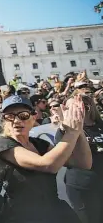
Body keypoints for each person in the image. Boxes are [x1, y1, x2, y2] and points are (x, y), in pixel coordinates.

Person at [0, 95, 91, 223]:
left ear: (33, 118)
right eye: (10, 116)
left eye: (23, 115)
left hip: (54, 211)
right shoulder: (3, 143)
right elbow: (48, 165)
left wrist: (79, 129)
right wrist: (71, 133)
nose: (16, 121)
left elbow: (83, 163)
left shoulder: (41, 144)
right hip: (23, 216)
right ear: (4, 120)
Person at [57, 94, 103, 223]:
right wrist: (69, 128)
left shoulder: (100, 124)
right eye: (72, 106)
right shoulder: (65, 131)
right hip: (83, 186)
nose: (77, 109)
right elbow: (64, 158)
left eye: (80, 105)